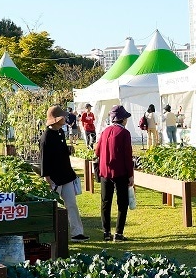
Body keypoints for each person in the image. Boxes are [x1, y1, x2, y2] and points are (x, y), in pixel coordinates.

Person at [40, 105, 89, 242]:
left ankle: (77, 233)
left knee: (72, 204)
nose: (65, 118)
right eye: (62, 116)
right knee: (53, 208)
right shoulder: (46, 137)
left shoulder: (61, 132)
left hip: (66, 176)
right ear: (56, 119)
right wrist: (48, 180)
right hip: (54, 178)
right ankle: (50, 235)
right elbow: (44, 160)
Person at [95, 104, 134, 242]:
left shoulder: (105, 131)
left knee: (105, 202)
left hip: (105, 172)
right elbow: (127, 156)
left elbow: (97, 151)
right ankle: (118, 233)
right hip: (120, 172)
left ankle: (106, 232)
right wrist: (131, 174)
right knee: (122, 203)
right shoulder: (125, 133)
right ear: (123, 119)